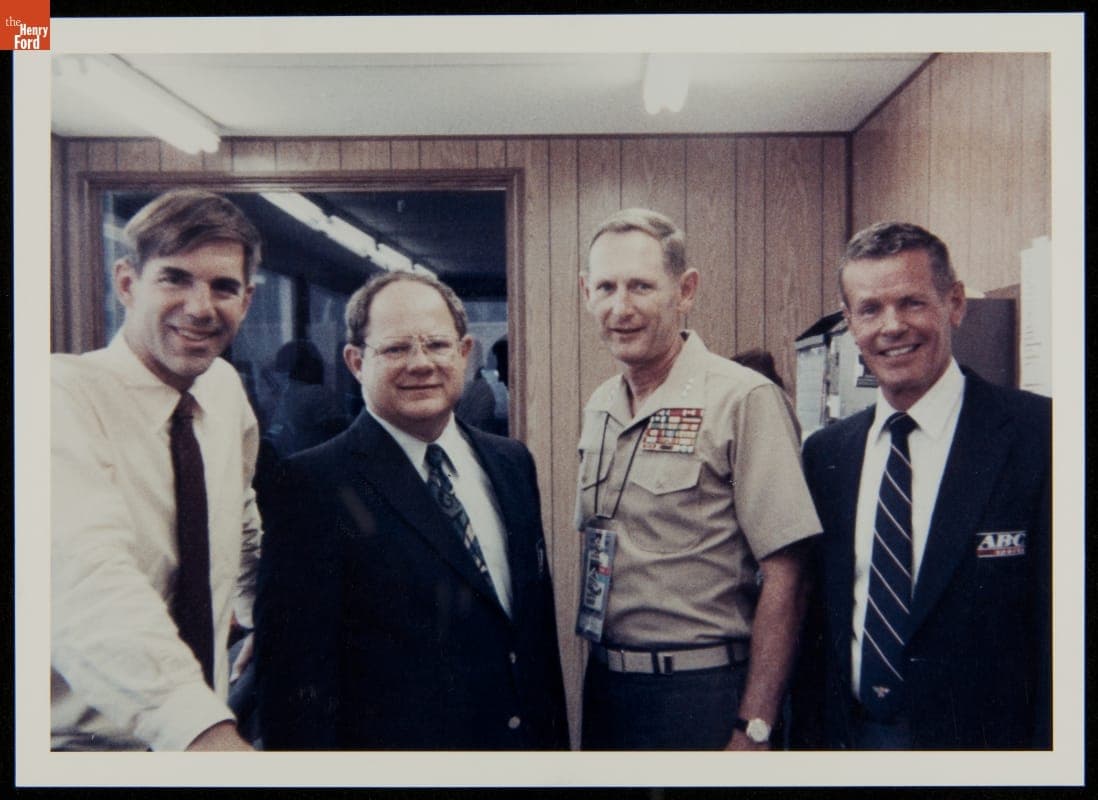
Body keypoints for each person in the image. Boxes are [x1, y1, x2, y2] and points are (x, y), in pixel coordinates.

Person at [255, 271, 569, 749]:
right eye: (396, 348)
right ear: (356, 362)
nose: (421, 363)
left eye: (437, 345)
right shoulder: (311, 486)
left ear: (464, 353)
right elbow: (294, 688)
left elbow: (534, 642)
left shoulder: (512, 464)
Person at [791, 221, 1051, 749]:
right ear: (849, 323)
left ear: (954, 303)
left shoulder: (1041, 435)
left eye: (911, 302)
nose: (892, 327)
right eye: (870, 309)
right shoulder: (826, 455)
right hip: (852, 742)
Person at [574, 208, 822, 750]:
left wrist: (754, 727)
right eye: (606, 287)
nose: (621, 307)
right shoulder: (601, 405)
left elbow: (788, 575)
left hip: (704, 692)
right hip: (609, 688)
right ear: (586, 293)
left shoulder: (743, 399)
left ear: (685, 290)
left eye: (641, 286)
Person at [51, 189, 263, 751]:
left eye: (223, 287)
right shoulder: (56, 397)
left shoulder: (223, 389)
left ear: (247, 300)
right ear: (127, 283)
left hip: (203, 726)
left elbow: (238, 517)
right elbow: (86, 579)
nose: (200, 307)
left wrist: (261, 614)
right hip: (79, 750)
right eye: (174, 278)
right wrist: (201, 733)